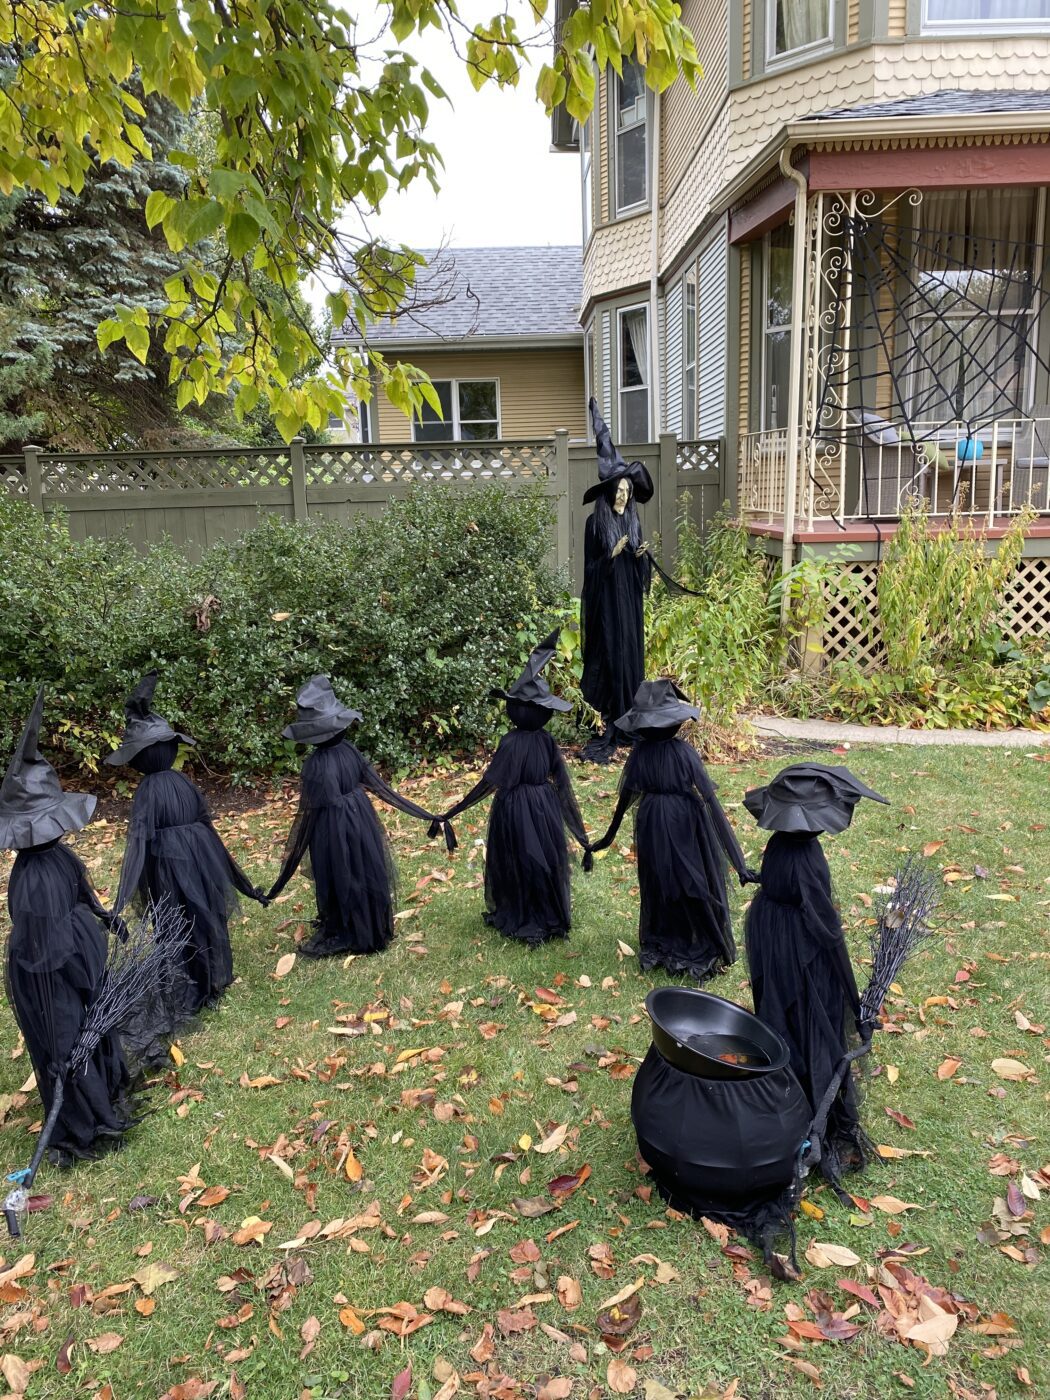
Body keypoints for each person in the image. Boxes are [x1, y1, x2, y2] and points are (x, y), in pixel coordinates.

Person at [1, 689, 133, 1163]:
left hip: (75, 957)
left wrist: (104, 919)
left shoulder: (58, 857)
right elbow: (47, 952)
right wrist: (79, 977)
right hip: (51, 975)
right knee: (67, 1039)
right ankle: (83, 1119)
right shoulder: (34, 878)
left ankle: (103, 1088)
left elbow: (83, 893)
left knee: (88, 1025)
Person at [743, 763, 889, 1181]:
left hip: (770, 933)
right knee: (811, 1018)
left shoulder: (778, 844)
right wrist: (853, 1000)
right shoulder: (806, 858)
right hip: (799, 948)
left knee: (780, 1009)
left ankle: (782, 1088)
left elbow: (779, 883)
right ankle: (804, 1103)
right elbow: (827, 933)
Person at [107, 672, 266, 1040]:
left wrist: (118, 902)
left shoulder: (148, 791)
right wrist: (243, 883)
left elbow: (138, 844)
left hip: (168, 866)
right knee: (203, 914)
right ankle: (213, 976)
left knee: (178, 918)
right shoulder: (183, 783)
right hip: (200, 856)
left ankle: (194, 980)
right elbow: (209, 828)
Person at [266, 676, 452, 958]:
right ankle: (369, 926)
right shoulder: (347, 751)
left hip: (331, 830)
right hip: (360, 820)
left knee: (342, 872)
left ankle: (350, 928)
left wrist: (281, 877)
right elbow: (380, 788)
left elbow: (308, 816)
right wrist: (428, 815)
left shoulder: (316, 764)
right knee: (361, 868)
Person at [588, 680, 757, 980]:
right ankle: (679, 940)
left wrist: (605, 840)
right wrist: (739, 864)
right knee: (675, 880)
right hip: (680, 821)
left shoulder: (645, 754)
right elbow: (710, 802)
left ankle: (671, 938)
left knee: (667, 881)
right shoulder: (680, 753)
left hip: (657, 821)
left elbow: (626, 801)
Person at [430, 630, 591, 946]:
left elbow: (491, 782)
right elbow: (561, 786)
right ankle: (539, 912)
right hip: (542, 807)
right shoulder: (543, 740)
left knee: (524, 858)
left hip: (516, 807)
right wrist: (581, 835)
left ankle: (528, 913)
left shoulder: (515, 741)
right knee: (531, 858)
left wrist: (451, 812)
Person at [580, 398, 653, 763]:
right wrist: (609, 558)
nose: (623, 496)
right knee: (609, 654)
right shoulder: (596, 524)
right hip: (607, 606)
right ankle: (606, 716)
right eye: (619, 491)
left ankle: (630, 712)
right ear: (609, 493)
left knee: (630, 653)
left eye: (627, 491)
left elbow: (641, 576)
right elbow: (589, 572)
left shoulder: (632, 522)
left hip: (629, 605)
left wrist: (640, 559)